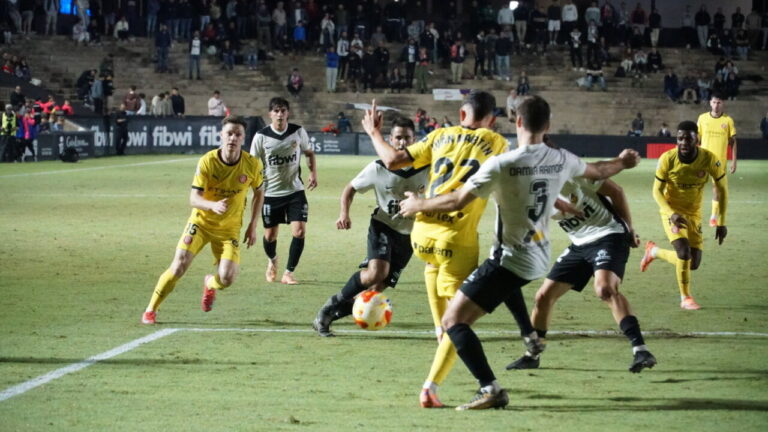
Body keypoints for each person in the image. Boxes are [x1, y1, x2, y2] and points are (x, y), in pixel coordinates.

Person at [398, 95, 641, 410]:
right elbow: (597, 170)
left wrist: (417, 204)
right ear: (548, 125)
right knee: (501, 282)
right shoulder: (561, 158)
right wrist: (623, 162)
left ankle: (491, 389)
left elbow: (457, 201)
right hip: (539, 257)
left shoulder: (503, 164)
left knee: (453, 321)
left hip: (511, 257)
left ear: (518, 122)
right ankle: (529, 335)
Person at [360, 92, 509, 409]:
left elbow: (392, 160)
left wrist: (374, 131)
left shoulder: (440, 135)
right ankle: (431, 387)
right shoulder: (496, 142)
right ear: (491, 120)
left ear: (461, 114)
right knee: (458, 322)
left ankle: (440, 349)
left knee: (444, 319)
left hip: (422, 236)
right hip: (455, 240)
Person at [505, 172, 656, 372]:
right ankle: (532, 355)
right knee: (543, 296)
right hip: (579, 244)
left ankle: (641, 350)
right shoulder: (530, 193)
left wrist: (629, 228)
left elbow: (617, 191)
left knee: (604, 289)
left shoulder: (573, 172)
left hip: (609, 234)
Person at [141, 116, 264, 324]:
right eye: (229, 133)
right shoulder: (208, 161)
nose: (233, 138)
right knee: (179, 265)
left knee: (227, 278)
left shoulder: (252, 164)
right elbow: (193, 198)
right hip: (201, 224)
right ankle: (151, 309)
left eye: (238, 134)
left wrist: (253, 225)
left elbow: (260, 192)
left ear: (244, 138)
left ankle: (210, 284)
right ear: (221, 135)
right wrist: (212, 205)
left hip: (229, 230)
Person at [312, 117, 428, 337]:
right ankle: (330, 305)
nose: (402, 142)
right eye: (398, 138)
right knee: (377, 272)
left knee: (375, 291)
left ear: (415, 140)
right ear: (390, 140)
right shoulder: (378, 167)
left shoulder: (426, 167)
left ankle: (327, 317)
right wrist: (343, 213)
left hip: (410, 236)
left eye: (407, 138)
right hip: (383, 225)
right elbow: (350, 189)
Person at [640, 121, 728, 311]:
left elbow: (723, 189)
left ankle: (654, 252)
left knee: (693, 263)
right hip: (671, 211)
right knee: (683, 252)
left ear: (697, 139)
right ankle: (685, 297)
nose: (684, 142)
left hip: (694, 214)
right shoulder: (667, 159)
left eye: (688, 138)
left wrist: (721, 221)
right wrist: (671, 213)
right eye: (680, 138)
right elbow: (656, 191)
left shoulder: (709, 159)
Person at [249, 97, 318, 285]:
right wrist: (253, 186)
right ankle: (272, 260)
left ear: (288, 113)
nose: (280, 114)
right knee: (270, 236)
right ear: (270, 114)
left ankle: (288, 273)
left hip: (295, 191)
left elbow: (309, 153)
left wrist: (312, 173)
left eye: (283, 111)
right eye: (276, 111)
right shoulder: (261, 136)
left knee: (299, 231)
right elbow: (252, 164)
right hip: (271, 193)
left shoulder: (297, 131)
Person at [696, 93, 736, 228]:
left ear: (722, 103)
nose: (716, 105)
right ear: (710, 103)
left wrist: (734, 161)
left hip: (719, 162)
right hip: (703, 160)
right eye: (714, 102)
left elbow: (733, 142)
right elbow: (697, 139)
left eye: (719, 102)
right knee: (696, 186)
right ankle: (693, 213)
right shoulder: (702, 118)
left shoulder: (728, 120)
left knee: (716, 188)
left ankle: (713, 216)